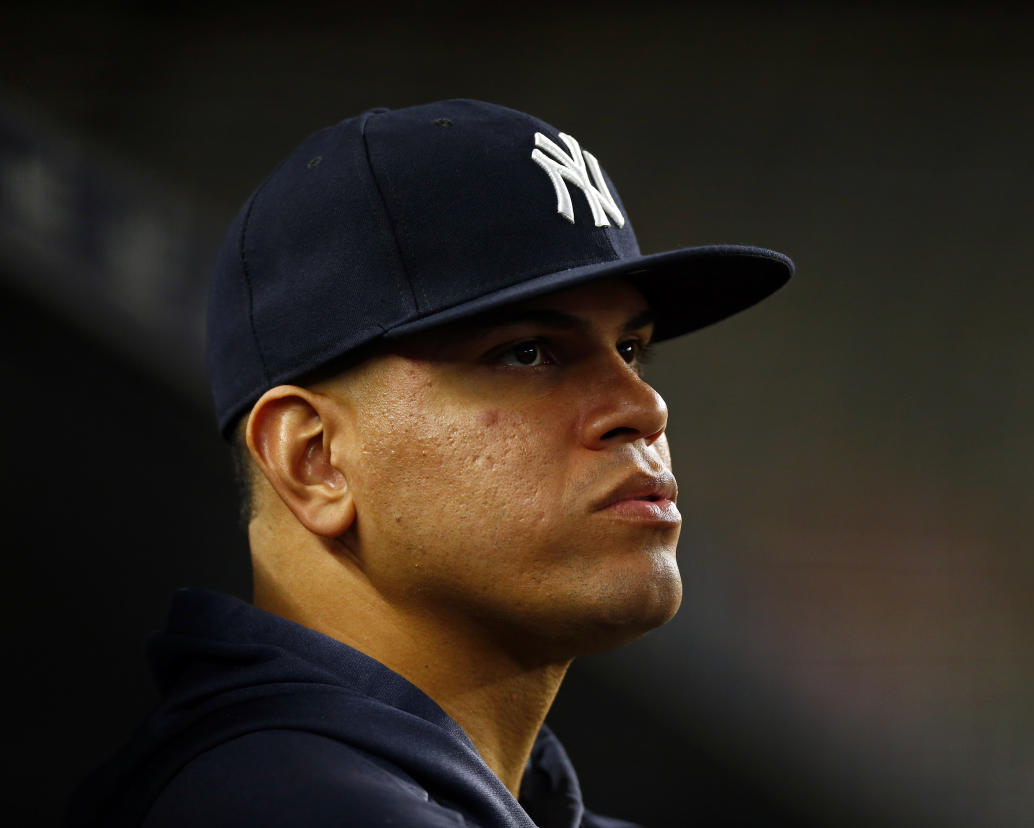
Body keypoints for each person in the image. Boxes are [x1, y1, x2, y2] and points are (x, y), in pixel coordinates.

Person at [64, 99, 793, 828]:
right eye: (526, 352)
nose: (643, 406)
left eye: (631, 349)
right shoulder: (274, 806)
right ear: (313, 457)